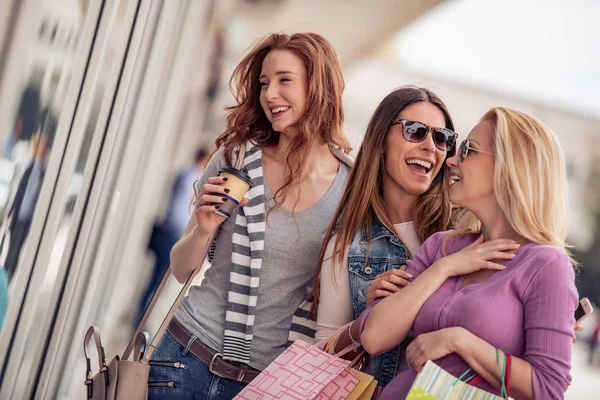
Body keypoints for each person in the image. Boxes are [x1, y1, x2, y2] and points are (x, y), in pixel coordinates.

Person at [147, 32, 353, 399]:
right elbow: (180, 269)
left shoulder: (349, 188)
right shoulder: (236, 158)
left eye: (284, 80)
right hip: (184, 357)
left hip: (267, 384)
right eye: (263, 83)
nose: (270, 94)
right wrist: (202, 232)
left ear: (318, 86)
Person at [361, 107, 578, 399]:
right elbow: (373, 338)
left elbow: (548, 388)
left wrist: (459, 341)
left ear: (510, 165)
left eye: (468, 150)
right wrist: (443, 268)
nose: (452, 160)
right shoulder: (442, 247)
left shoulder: (546, 265)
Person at [314, 86, 458, 390]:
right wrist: (367, 319)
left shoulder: (461, 237)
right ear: (381, 141)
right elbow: (321, 360)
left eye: (442, 137)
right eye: (416, 131)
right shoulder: (346, 245)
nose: (431, 146)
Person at [136, 148, 209, 324]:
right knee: (158, 283)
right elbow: (181, 212)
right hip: (172, 235)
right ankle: (141, 321)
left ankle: (142, 320)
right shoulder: (192, 179)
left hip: (170, 233)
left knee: (157, 282)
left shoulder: (185, 175)